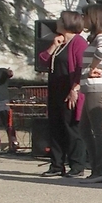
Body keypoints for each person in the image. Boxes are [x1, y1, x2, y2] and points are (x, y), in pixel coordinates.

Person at [37, 11, 88, 177]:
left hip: (69, 91)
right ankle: (57, 164)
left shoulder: (78, 42)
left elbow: (82, 68)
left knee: (71, 128)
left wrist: (75, 89)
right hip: (55, 91)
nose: (57, 22)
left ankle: (77, 165)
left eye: (60, 19)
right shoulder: (59, 42)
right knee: (55, 127)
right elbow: (42, 60)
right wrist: (53, 46)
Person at [78, 3, 102, 184]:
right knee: (85, 128)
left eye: (85, 15)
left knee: (98, 130)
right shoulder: (100, 37)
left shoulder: (101, 37)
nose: (83, 19)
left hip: (97, 87)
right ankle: (96, 168)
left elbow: (101, 51)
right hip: (93, 87)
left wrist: (92, 67)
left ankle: (100, 170)